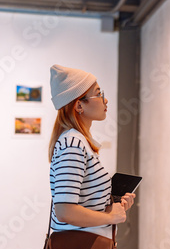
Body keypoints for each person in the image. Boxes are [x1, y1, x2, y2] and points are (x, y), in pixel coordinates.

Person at [48, 64, 135, 239]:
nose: (106, 100)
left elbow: (83, 203)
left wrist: (113, 205)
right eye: (99, 93)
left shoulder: (79, 141)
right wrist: (109, 216)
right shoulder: (72, 144)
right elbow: (65, 211)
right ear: (79, 105)